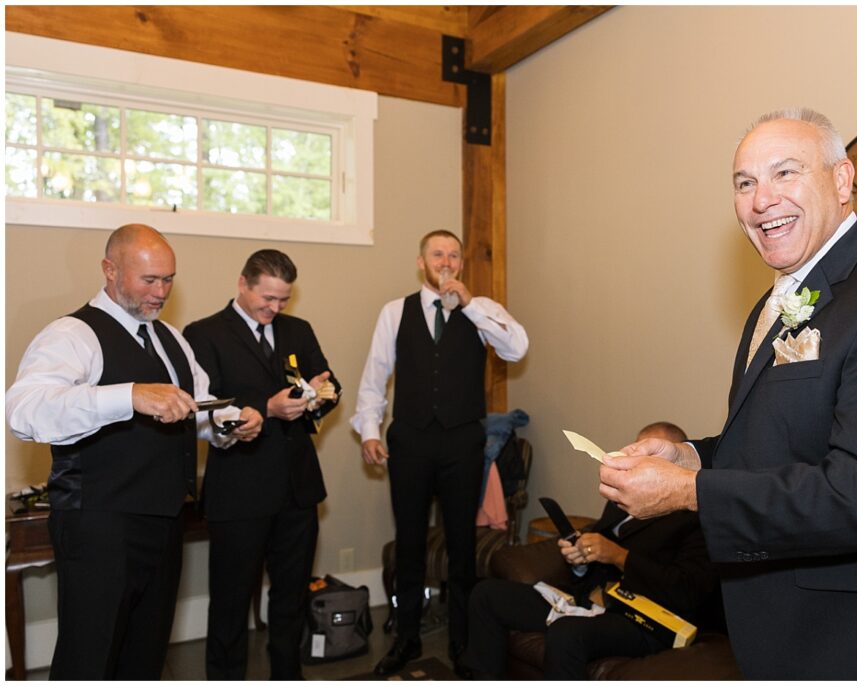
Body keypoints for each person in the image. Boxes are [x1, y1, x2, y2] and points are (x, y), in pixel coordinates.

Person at [598, 108, 857, 679]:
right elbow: (785, 444)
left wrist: (693, 492)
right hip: (791, 631)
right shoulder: (777, 302)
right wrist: (691, 456)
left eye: (785, 173)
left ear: (841, 181)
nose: (762, 200)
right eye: (745, 183)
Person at [5, 224, 263, 680]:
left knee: (144, 658)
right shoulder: (72, 334)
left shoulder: (171, 339)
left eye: (168, 279)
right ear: (110, 270)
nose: (161, 292)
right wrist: (127, 395)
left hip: (164, 523)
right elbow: (24, 411)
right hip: (99, 525)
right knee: (90, 659)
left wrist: (230, 424)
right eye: (149, 280)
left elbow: (196, 406)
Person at [351, 229, 529, 676]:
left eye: (453, 254)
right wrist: (369, 429)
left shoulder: (481, 310)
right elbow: (375, 376)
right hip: (409, 439)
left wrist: (470, 305)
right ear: (421, 261)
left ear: (461, 263)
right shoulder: (395, 312)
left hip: (462, 441)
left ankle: (462, 643)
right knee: (409, 542)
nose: (445, 260)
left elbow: (518, 347)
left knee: (462, 547)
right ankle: (406, 639)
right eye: (437, 253)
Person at [182, 249, 341, 680]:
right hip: (239, 489)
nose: (275, 308)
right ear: (243, 283)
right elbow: (204, 407)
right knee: (231, 602)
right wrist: (266, 409)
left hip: (297, 488)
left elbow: (327, 382)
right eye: (267, 298)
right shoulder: (204, 334)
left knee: (291, 600)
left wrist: (320, 395)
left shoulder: (298, 329)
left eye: (282, 300)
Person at [459, 422, 723, 679]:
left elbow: (685, 591)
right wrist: (580, 557)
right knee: (486, 594)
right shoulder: (623, 499)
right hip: (589, 600)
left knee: (567, 633)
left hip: (644, 619)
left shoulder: (694, 517)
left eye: (650, 457)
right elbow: (595, 553)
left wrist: (618, 556)